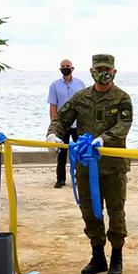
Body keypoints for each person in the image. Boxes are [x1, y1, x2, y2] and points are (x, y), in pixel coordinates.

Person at [47, 54, 132, 274]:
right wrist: (53, 134)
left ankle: (116, 255)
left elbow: (124, 125)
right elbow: (62, 118)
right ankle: (97, 255)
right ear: (91, 71)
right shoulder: (81, 97)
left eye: (107, 69)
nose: (102, 72)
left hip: (113, 167)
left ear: (114, 72)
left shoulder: (122, 98)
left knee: (115, 211)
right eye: (98, 69)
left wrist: (103, 139)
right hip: (85, 166)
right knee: (89, 211)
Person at [48, 59, 85, 188]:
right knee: (62, 153)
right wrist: (53, 125)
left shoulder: (80, 84)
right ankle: (60, 179)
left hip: (78, 124)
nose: (65, 68)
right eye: (63, 66)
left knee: (79, 152)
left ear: (72, 68)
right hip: (62, 126)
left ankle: (79, 178)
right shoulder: (54, 86)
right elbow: (53, 106)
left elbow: (84, 105)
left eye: (67, 66)